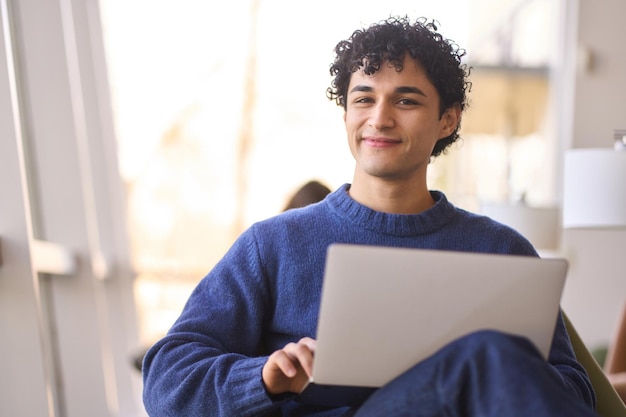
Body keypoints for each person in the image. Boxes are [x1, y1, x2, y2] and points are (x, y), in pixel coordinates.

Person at [142, 16, 597, 417]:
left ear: (447, 120)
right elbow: (167, 380)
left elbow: (575, 392)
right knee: (487, 355)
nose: (379, 119)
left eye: (406, 101)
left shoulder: (503, 250)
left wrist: (475, 370)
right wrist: (263, 376)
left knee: (486, 357)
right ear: (346, 115)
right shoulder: (274, 244)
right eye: (363, 99)